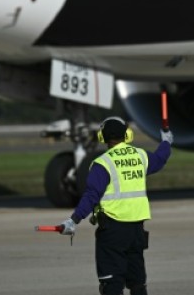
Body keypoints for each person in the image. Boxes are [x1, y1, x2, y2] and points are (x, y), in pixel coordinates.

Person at [58, 116, 173, 295]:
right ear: (126, 135)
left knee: (111, 283)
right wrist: (166, 141)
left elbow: (91, 196)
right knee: (137, 283)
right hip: (136, 230)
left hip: (113, 230)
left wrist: (74, 220)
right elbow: (160, 159)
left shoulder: (103, 163)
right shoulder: (140, 155)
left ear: (102, 137)